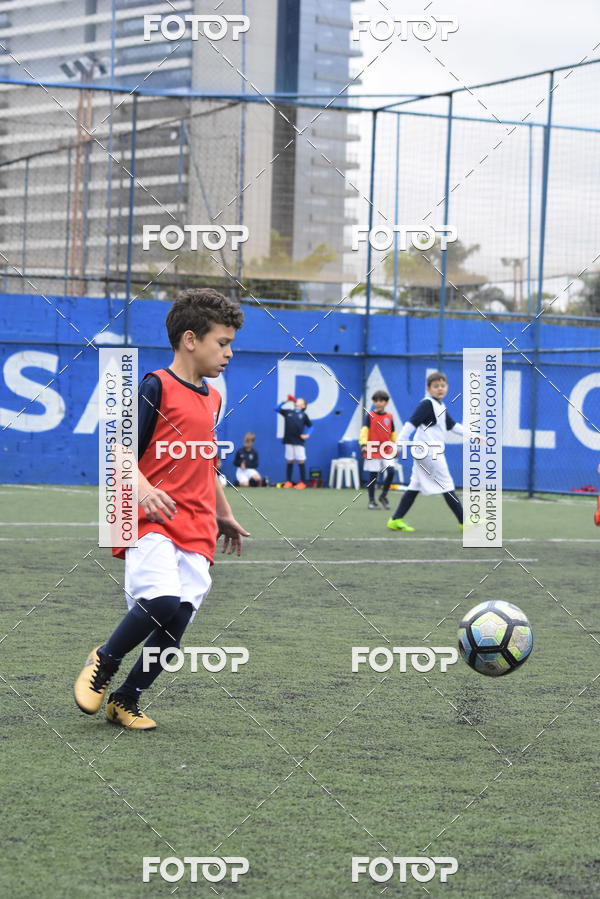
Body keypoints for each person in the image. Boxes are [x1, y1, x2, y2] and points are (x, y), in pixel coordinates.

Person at [74, 288, 250, 730]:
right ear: (190, 340)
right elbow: (119, 451)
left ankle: (126, 700)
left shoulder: (213, 398)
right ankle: (105, 660)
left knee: (178, 622)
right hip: (151, 518)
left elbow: (206, 463)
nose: (229, 352)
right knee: (160, 599)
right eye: (222, 343)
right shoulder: (155, 386)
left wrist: (223, 513)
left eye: (230, 343)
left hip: (197, 524)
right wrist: (144, 486)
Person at [387, 371, 464, 532]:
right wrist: (399, 446)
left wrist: (475, 435)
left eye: (443, 385)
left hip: (426, 451)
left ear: (447, 387)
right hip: (428, 451)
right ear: (429, 388)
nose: (440, 389)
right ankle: (464, 522)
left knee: (414, 485)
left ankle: (395, 519)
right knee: (446, 484)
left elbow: (453, 426)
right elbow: (410, 425)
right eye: (436, 386)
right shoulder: (427, 404)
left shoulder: (439, 406)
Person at [359, 389, 397, 510]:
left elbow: (393, 432)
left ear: (386, 402)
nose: (379, 403)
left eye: (381, 400)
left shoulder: (389, 417)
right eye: (376, 400)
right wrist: (363, 444)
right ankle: (371, 501)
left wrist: (394, 445)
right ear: (373, 402)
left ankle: (383, 496)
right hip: (372, 449)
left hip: (386, 450)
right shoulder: (369, 415)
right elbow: (364, 431)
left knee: (391, 471)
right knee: (373, 476)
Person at [276, 394, 311, 489]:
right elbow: (276, 408)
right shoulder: (288, 412)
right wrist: (286, 401)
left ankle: (303, 482)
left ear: (303, 406)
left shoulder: (303, 415)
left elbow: (311, 426)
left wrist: (307, 434)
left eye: (300, 400)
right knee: (289, 460)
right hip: (288, 440)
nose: (297, 400)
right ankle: (288, 482)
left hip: (299, 441)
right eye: (297, 399)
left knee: (300, 460)